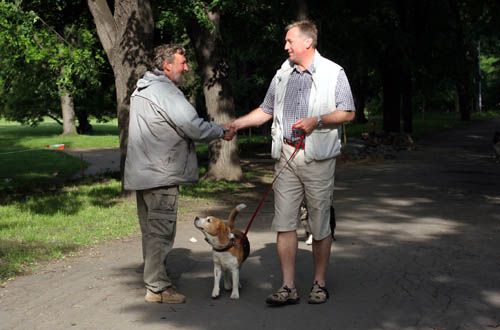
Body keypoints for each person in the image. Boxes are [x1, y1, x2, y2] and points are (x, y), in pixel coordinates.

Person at [230, 20, 355, 305]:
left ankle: (319, 284)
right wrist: (236, 124)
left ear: (307, 43)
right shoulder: (282, 74)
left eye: (289, 41)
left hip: (318, 158)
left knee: (320, 223)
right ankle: (288, 287)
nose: (285, 46)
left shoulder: (333, 72)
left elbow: (348, 112)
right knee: (284, 223)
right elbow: (265, 110)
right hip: (286, 155)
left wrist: (318, 120)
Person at [124, 44, 234, 304]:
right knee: (160, 235)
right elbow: (192, 126)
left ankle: (156, 283)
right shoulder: (165, 91)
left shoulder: (142, 89)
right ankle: (158, 288)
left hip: (143, 175)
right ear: (167, 65)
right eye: (182, 62)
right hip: (161, 175)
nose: (186, 67)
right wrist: (221, 131)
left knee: (151, 233)